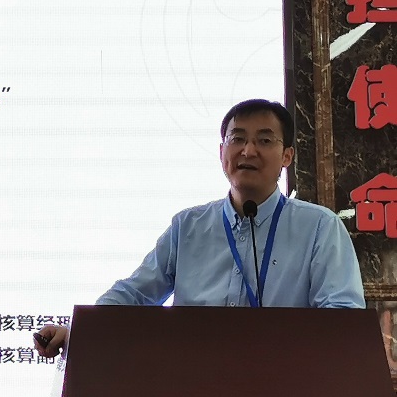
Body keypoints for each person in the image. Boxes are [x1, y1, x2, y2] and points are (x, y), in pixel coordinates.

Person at [33, 98, 365, 358]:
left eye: (264, 140)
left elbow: (342, 317)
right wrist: (79, 331)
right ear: (222, 152)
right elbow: (135, 294)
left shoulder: (320, 227)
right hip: (192, 388)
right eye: (237, 139)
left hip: (287, 388)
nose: (248, 150)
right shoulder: (188, 227)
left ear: (287, 156)